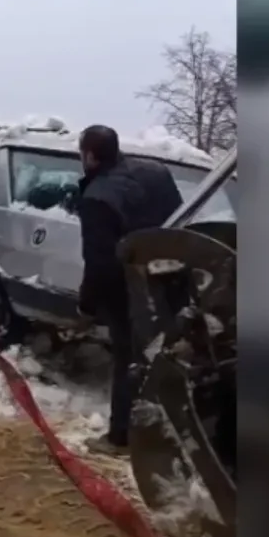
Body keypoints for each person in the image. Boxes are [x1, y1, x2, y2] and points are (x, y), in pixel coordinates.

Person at [75, 125, 182, 455]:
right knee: (169, 357)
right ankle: (174, 432)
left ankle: (121, 437)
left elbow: (100, 264)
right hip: (172, 277)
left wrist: (87, 305)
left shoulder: (96, 199)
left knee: (130, 361)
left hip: (129, 290)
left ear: (90, 156)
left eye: (82, 153)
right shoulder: (155, 172)